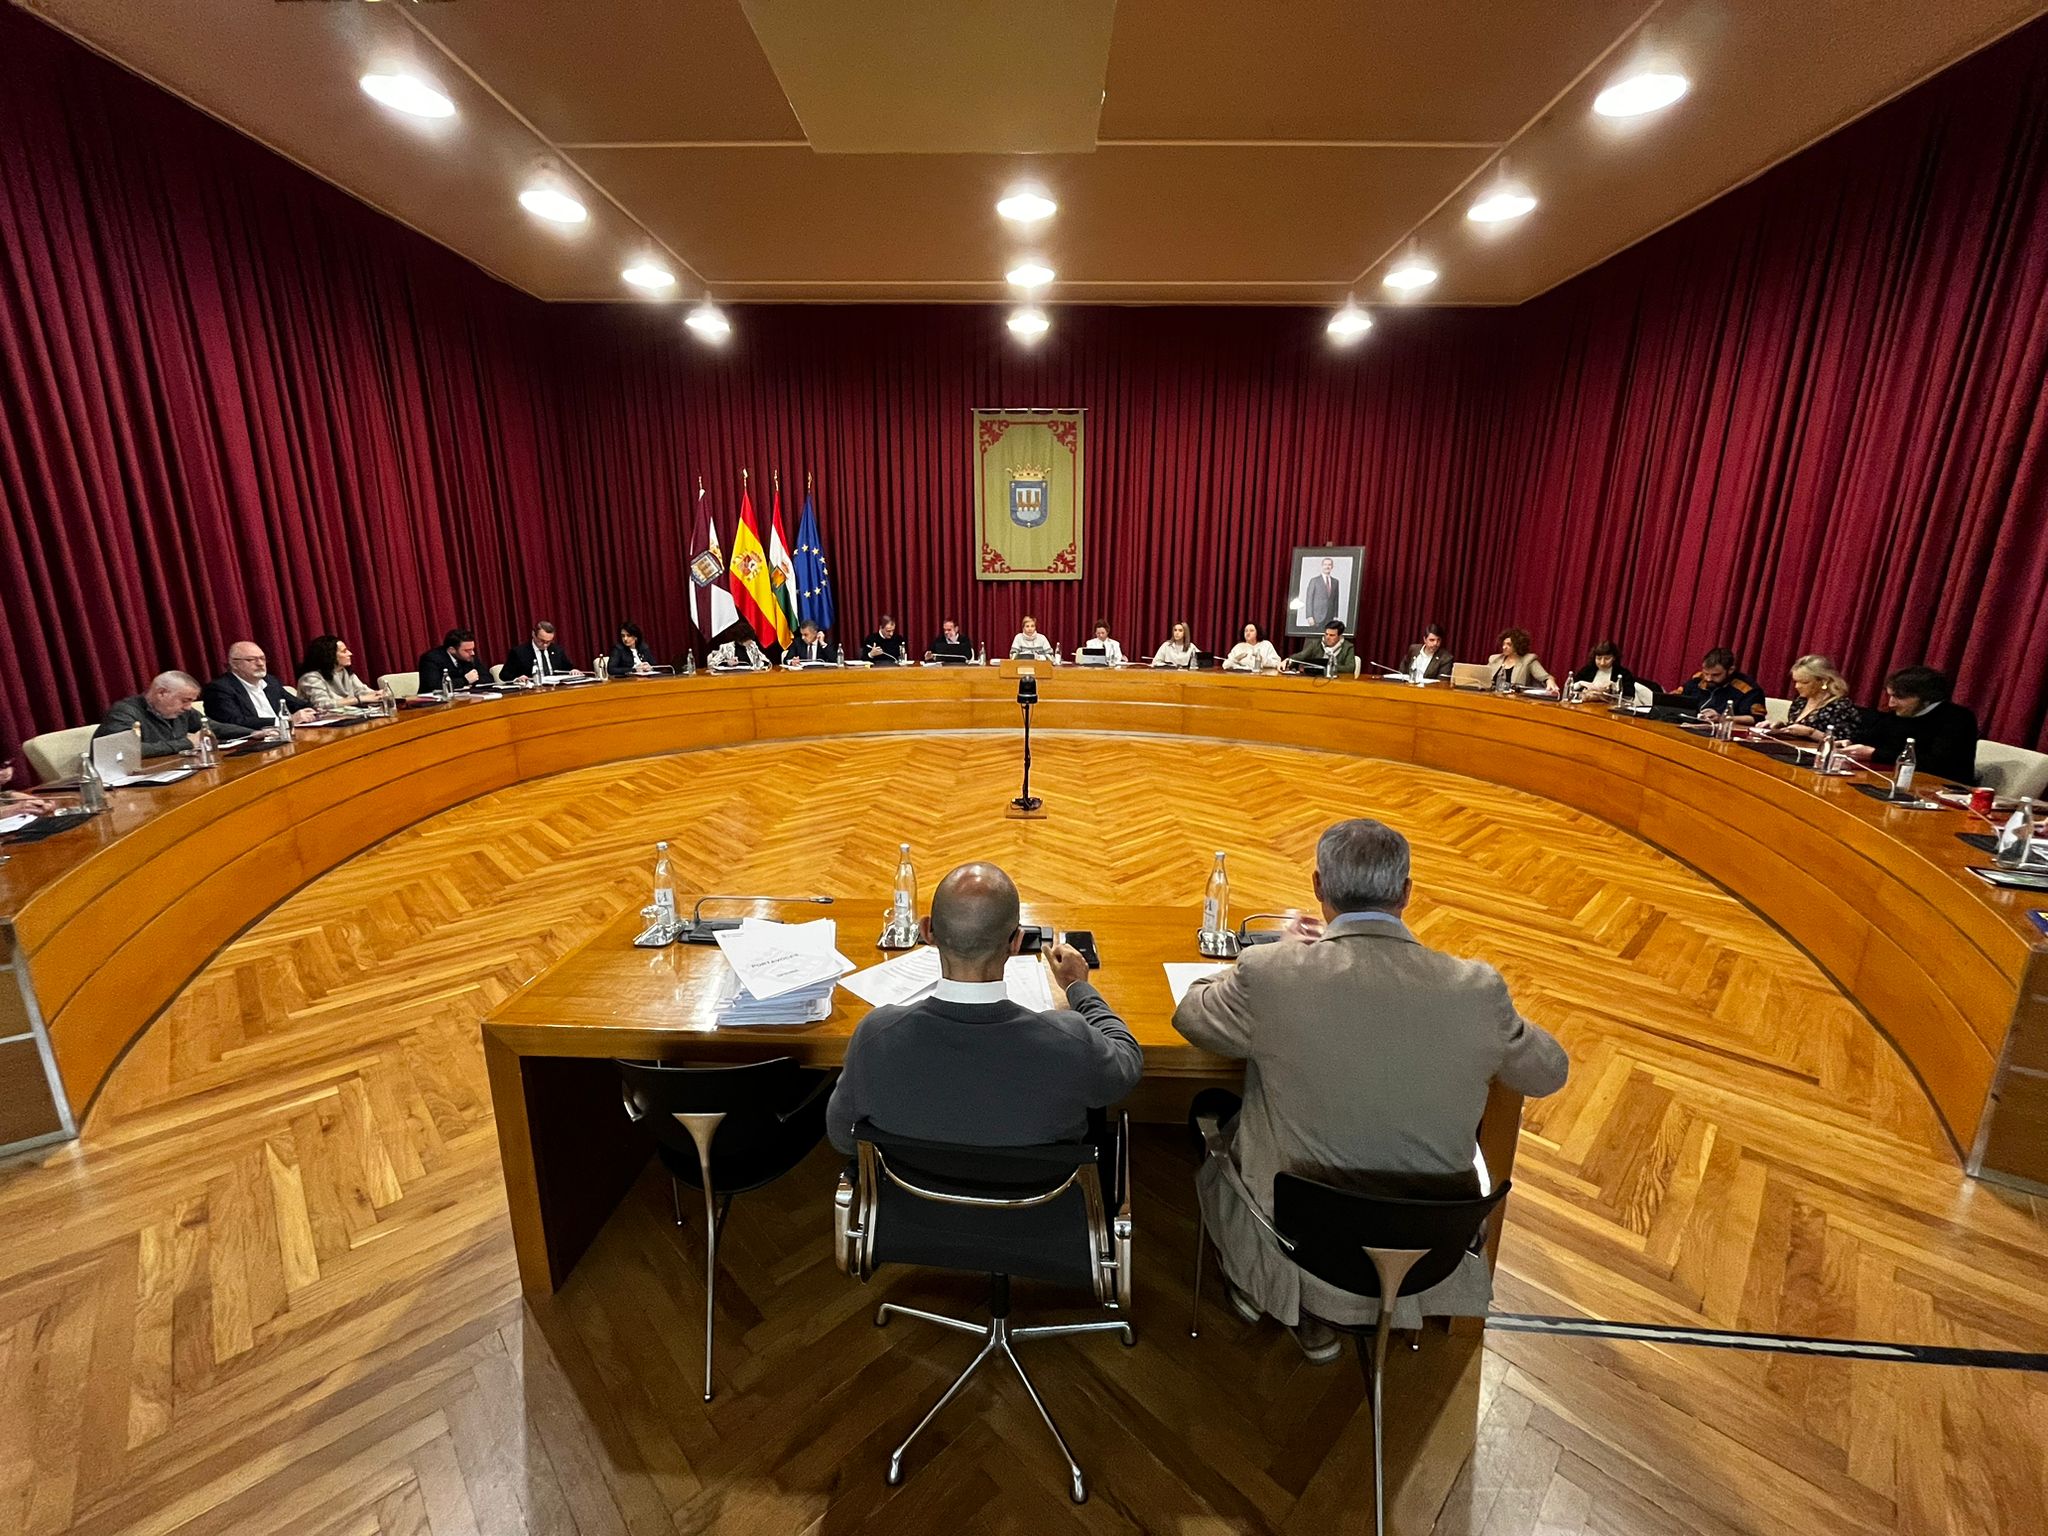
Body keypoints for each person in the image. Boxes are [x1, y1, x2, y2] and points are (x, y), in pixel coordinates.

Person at [1173, 819, 1568, 1361]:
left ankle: (1275, 1294)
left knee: (1218, 1119)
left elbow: (1192, 1016)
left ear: (1318, 887)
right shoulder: (1478, 989)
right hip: (1425, 1252)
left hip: (1299, 1244)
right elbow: (1549, 1072)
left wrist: (1276, 956)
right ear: (1406, 893)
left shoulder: (1272, 972)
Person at [825, 862, 1142, 1153]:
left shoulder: (875, 1035)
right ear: (1016, 942)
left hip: (913, 1211)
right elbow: (1127, 1059)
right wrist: (1078, 987)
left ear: (927, 932)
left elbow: (843, 1137)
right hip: (1035, 1213)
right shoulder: (1068, 1041)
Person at [1846, 665, 1979, 785]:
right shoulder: (1902, 712)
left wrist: (1875, 754)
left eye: (1899, 697)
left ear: (1926, 698)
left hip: (1941, 787)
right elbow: (1872, 736)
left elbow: (1937, 764)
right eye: (1890, 696)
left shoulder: (1958, 718)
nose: (1891, 703)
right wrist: (1848, 743)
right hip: (1894, 779)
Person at [97, 671, 238, 757]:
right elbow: (123, 751)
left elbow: (212, 727)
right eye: (185, 700)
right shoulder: (125, 712)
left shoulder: (181, 711)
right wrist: (187, 743)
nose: (188, 707)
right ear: (162, 693)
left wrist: (255, 732)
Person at [200, 642, 317, 732]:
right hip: (251, 741)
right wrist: (284, 721)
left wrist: (314, 710)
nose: (260, 664)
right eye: (251, 660)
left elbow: (296, 704)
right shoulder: (219, 688)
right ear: (234, 664)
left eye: (262, 658)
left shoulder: (270, 681)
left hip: (282, 734)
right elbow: (234, 721)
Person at [1765, 655, 1860, 742]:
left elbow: (1843, 742)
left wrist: (1811, 733)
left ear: (1824, 681)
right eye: (1796, 681)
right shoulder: (1800, 702)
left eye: (1804, 682)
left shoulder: (1840, 706)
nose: (1797, 686)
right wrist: (1781, 726)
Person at [295, 636, 388, 711]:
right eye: (344, 651)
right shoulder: (310, 678)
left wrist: (378, 694)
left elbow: (363, 691)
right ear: (329, 655)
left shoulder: (345, 672)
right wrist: (359, 699)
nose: (350, 653)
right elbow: (321, 705)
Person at [1677, 647, 1764, 723]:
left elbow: (1756, 718)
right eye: (1706, 673)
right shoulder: (1698, 678)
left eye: (1716, 675)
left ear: (1731, 670)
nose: (1708, 679)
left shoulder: (1748, 689)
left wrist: (1722, 718)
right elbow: (1675, 700)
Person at [502, 621, 582, 684]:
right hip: (532, 691)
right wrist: (518, 678)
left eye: (549, 642)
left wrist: (574, 671)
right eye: (542, 641)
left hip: (556, 689)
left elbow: (568, 668)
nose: (545, 645)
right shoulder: (519, 652)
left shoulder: (557, 650)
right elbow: (504, 675)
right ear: (533, 634)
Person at [418, 629, 489, 693]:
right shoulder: (431, 658)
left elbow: (487, 678)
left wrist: (473, 680)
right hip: (435, 702)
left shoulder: (469, 657)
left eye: (472, 649)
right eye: (467, 650)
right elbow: (433, 686)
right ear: (452, 650)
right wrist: (465, 680)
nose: (472, 653)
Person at [1568, 640, 1636, 704]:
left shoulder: (1624, 673)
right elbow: (1569, 690)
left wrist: (1614, 687)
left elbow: (1629, 697)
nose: (1602, 663)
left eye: (1607, 659)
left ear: (1614, 658)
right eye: (1598, 658)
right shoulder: (1587, 670)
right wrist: (1580, 683)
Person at [1485, 629, 1553, 691]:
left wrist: (1550, 681)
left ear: (1517, 645)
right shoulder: (1494, 659)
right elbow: (1482, 677)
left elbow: (1545, 677)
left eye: (1509, 644)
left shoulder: (1528, 660)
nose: (1504, 647)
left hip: (1515, 699)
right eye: (1503, 644)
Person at [1286, 621, 1355, 676]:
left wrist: (1328, 667)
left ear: (1340, 636)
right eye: (1326, 634)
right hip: (1315, 678)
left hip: (1336, 680)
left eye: (1332, 635)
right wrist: (1287, 661)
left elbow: (1350, 668)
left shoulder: (1348, 647)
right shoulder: (1316, 644)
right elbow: (1301, 656)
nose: (1327, 637)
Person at [1302, 557, 1342, 630]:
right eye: (1325, 564)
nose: (1327, 566)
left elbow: (1336, 600)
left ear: (1332, 567)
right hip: (1317, 617)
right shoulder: (1314, 581)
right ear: (1322, 566)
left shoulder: (1335, 582)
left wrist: (1335, 616)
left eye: (1329, 565)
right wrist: (1309, 616)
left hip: (1330, 617)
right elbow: (1309, 599)